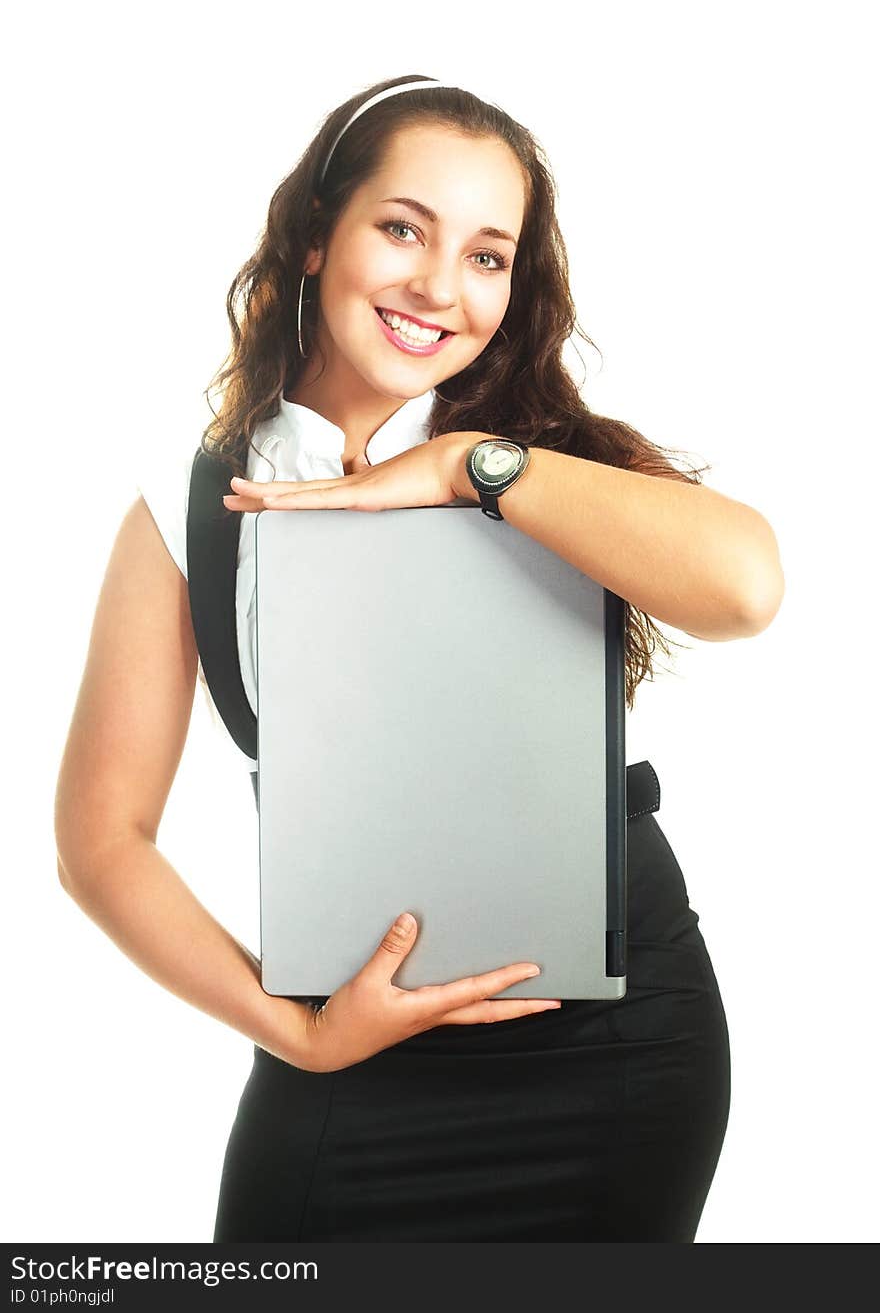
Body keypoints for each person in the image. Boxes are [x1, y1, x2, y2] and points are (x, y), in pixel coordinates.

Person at [54, 74, 784, 1242]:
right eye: (403, 228)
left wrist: (466, 470)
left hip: (617, 1048)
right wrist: (293, 1032)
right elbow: (100, 842)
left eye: (488, 256)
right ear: (311, 236)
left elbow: (746, 588)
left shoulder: (542, 461)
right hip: (347, 1044)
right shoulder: (194, 501)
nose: (440, 288)